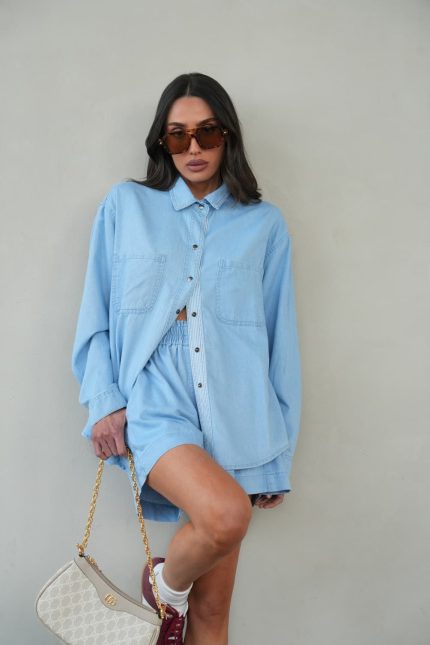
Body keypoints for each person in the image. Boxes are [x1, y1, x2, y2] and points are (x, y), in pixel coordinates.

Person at [71, 72, 302, 645]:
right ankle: (163, 585)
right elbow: (96, 309)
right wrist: (103, 400)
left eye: (207, 132)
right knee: (226, 515)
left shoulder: (264, 224)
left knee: (213, 612)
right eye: (178, 135)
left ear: (228, 137)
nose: (193, 147)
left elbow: (280, 338)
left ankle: (169, 595)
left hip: (239, 408)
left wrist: (279, 449)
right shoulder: (127, 205)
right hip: (156, 400)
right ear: (162, 142)